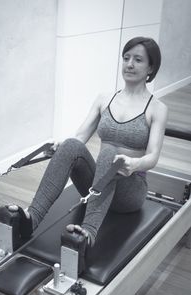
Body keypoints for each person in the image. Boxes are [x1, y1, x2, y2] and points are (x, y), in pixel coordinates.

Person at [16, 36, 168, 248]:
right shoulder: (104, 98)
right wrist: (61, 148)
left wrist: (134, 164)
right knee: (70, 144)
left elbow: (153, 156)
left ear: (151, 67)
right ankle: (31, 219)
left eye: (138, 60)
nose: (130, 64)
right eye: (126, 58)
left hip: (129, 190)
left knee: (108, 154)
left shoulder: (157, 108)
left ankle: (87, 235)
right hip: (98, 185)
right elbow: (80, 138)